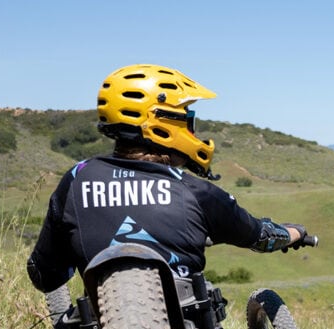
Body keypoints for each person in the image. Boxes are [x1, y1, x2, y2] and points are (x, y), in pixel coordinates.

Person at [27, 63, 309, 293]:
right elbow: (259, 236)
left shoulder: (77, 179)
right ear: (162, 123)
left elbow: (44, 276)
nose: (192, 130)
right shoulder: (195, 191)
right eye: (187, 120)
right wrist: (294, 233)